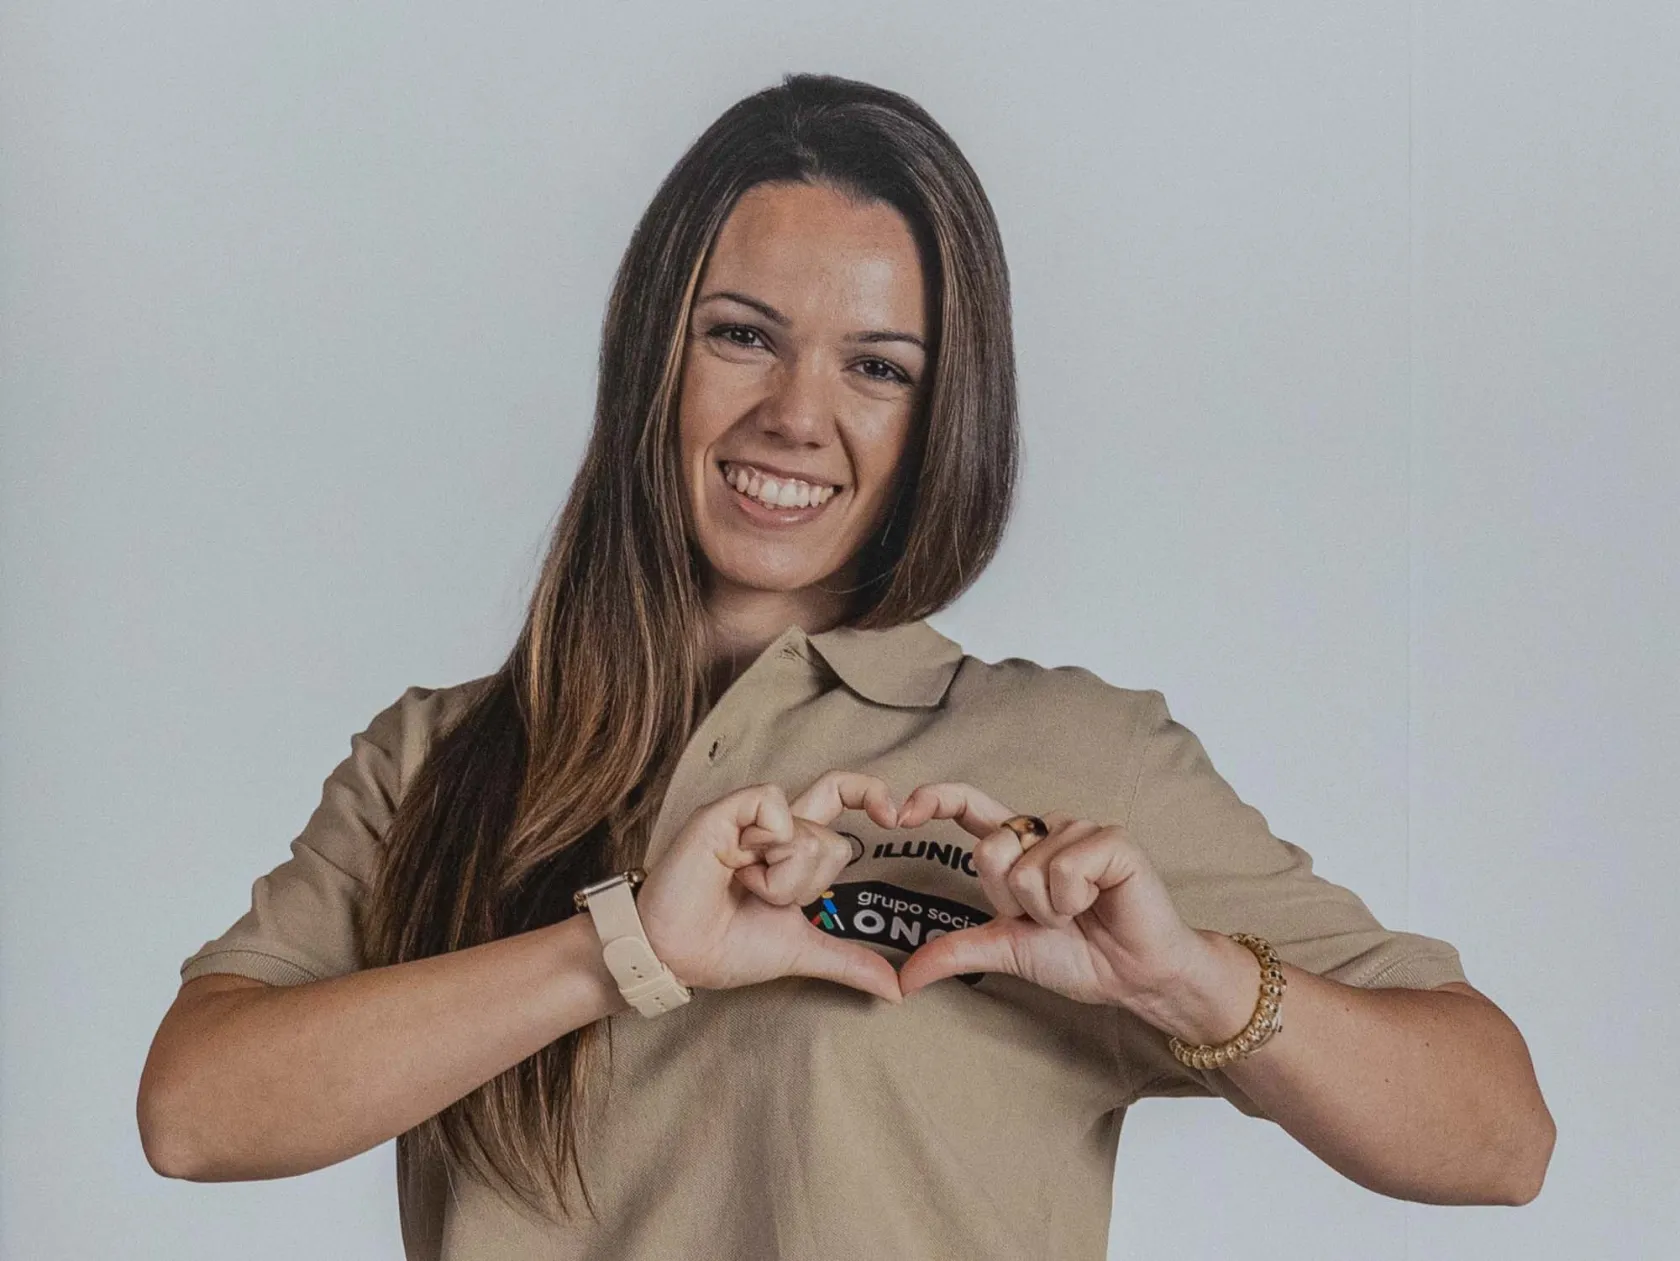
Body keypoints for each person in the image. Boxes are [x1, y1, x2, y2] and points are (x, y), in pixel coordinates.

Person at [137, 72, 1555, 1259]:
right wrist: (615, 950)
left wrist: (1183, 984)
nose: (797, 414)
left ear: (947, 413)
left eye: (879, 367)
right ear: (655, 357)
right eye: (743, 337)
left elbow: (1498, 1139)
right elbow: (196, 1111)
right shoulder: (445, 757)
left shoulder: (1069, 755)